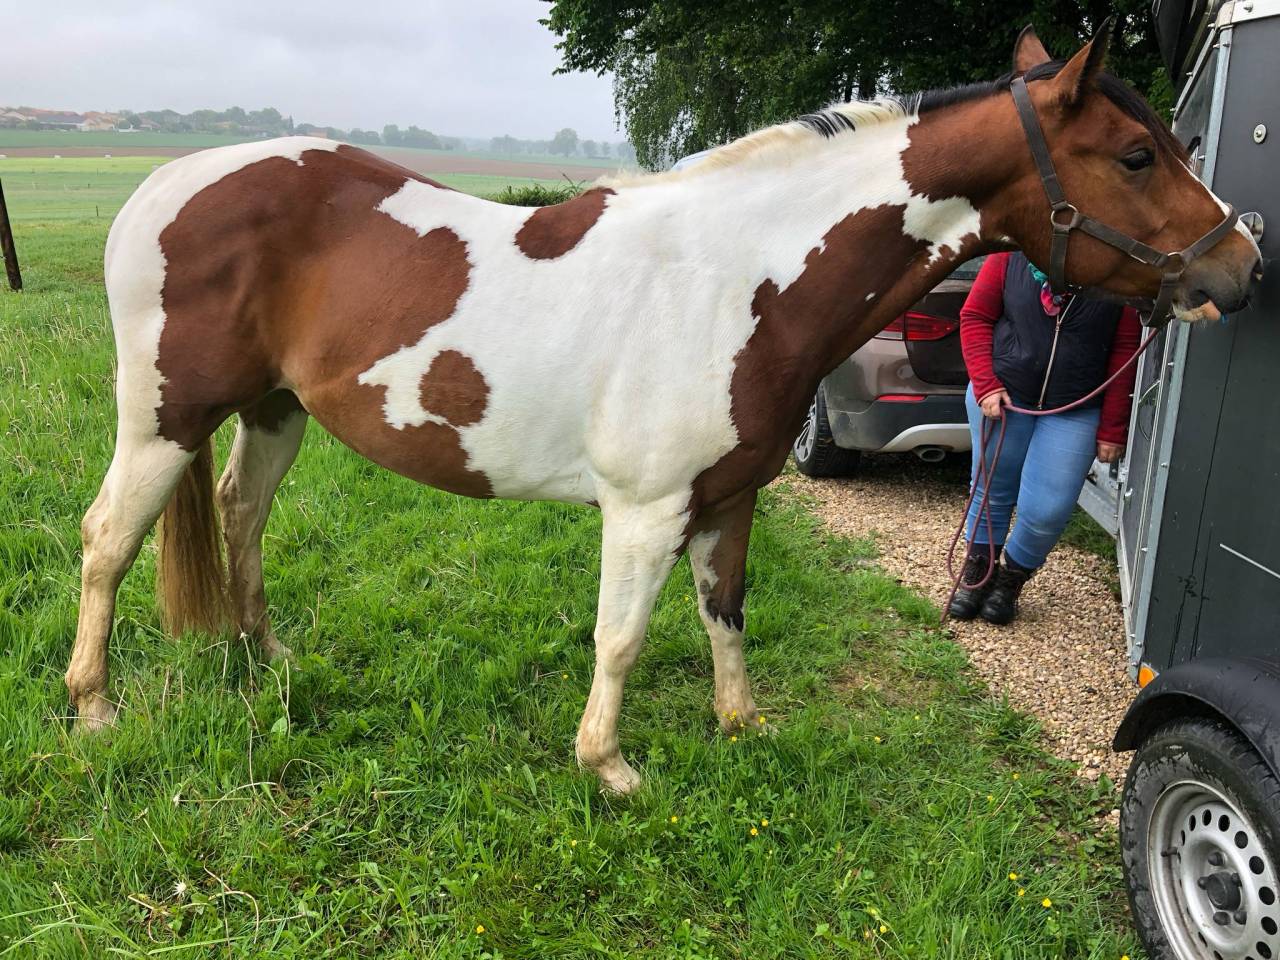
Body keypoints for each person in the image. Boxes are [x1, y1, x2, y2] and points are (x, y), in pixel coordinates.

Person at [949, 252, 1140, 625]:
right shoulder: (1009, 257)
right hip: (1003, 398)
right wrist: (986, 385)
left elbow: (1124, 352)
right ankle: (977, 575)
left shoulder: (1121, 274)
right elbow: (975, 317)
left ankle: (1010, 581)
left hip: (1075, 409)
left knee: (1047, 511)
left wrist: (1112, 428)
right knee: (989, 490)